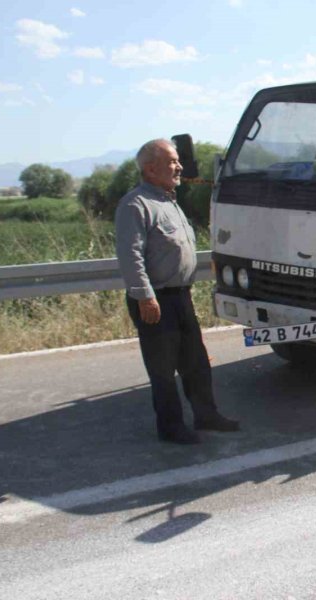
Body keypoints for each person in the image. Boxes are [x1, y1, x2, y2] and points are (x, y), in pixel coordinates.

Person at [116, 139, 239, 444]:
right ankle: (171, 428)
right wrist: (144, 296)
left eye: (177, 161)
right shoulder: (136, 205)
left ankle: (206, 415)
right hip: (156, 299)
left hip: (179, 296)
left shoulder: (168, 201)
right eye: (172, 161)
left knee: (195, 361)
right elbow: (131, 256)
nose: (179, 166)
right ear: (151, 168)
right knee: (163, 369)